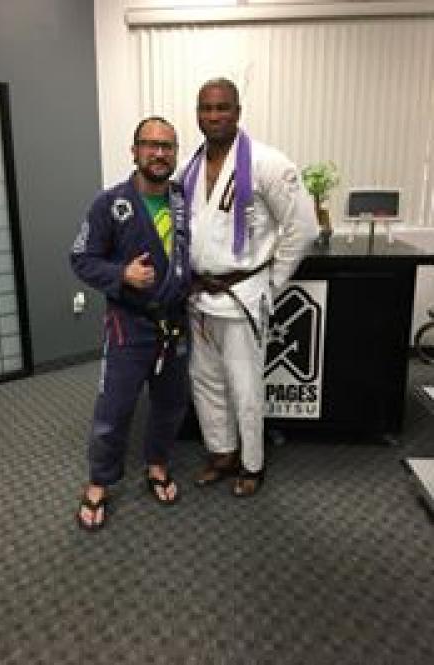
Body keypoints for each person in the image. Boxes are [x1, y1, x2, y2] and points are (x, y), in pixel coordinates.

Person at [180, 78, 318, 497]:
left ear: (238, 112)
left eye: (222, 107)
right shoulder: (190, 166)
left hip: (241, 295)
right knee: (205, 381)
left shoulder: (267, 163)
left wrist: (272, 282)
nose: (213, 116)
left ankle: (252, 463)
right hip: (198, 295)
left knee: (245, 386)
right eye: (205, 108)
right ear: (197, 113)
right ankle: (221, 453)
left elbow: (304, 228)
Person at [71, 116, 191, 530]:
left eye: (167, 146)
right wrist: (121, 274)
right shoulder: (110, 203)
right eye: (150, 145)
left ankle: (157, 463)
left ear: (175, 154)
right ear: (135, 151)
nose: (159, 153)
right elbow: (81, 258)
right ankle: (99, 482)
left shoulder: (184, 201)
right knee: (114, 410)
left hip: (174, 323)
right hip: (129, 325)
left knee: (171, 403)